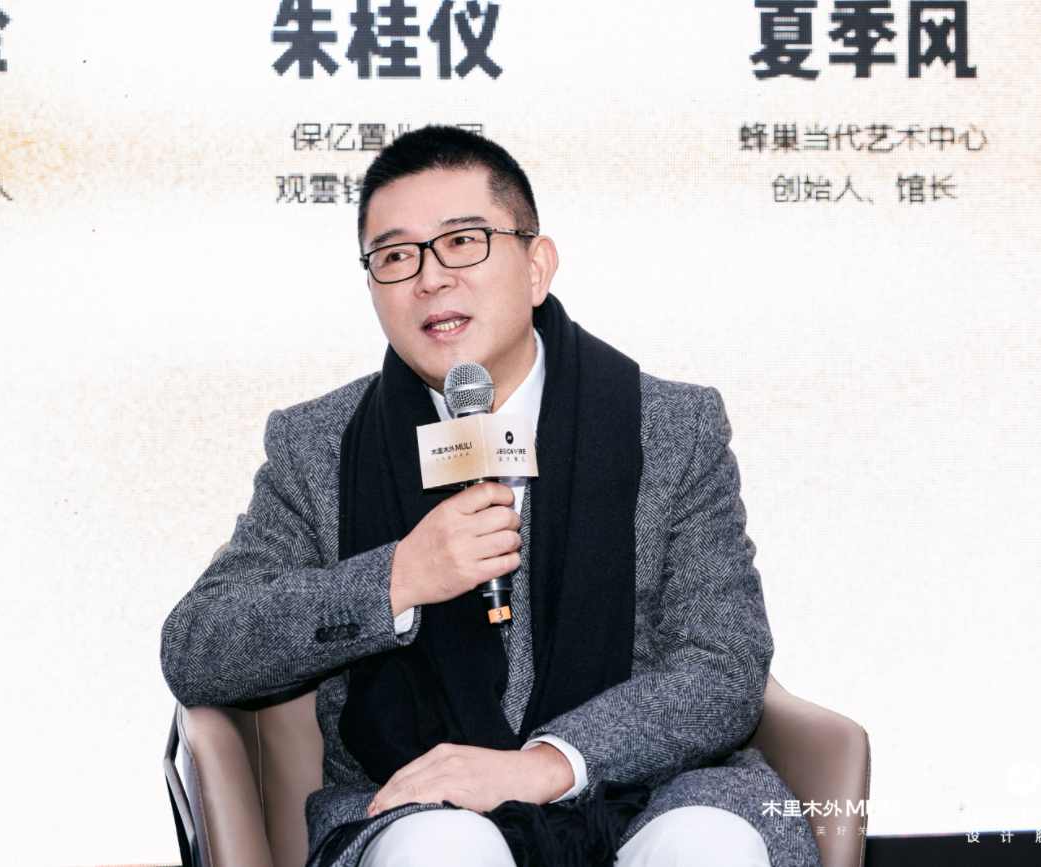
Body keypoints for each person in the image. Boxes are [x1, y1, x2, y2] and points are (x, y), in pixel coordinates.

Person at [160, 125, 821, 867]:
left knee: (708, 845)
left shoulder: (671, 426)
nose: (430, 279)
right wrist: (397, 579)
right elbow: (198, 647)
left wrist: (546, 763)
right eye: (396, 256)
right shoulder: (320, 444)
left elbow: (723, 661)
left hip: (649, 790)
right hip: (416, 803)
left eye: (462, 242)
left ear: (537, 267)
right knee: (444, 847)